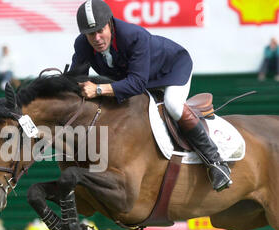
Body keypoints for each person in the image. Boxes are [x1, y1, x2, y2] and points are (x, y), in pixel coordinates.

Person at [71, 0, 231, 192]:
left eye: (100, 30)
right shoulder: (82, 44)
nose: (96, 38)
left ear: (110, 23)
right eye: (90, 34)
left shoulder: (133, 36)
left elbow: (137, 84)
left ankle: (216, 163)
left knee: (172, 105)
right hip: (138, 78)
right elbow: (75, 78)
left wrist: (98, 89)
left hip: (170, 69)